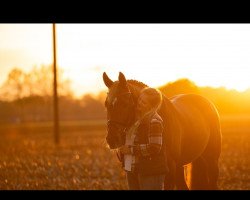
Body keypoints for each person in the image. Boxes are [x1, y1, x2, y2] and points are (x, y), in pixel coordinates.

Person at [118, 87, 168, 190]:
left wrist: (130, 150)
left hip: (150, 171)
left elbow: (154, 147)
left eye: (144, 102)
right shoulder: (136, 120)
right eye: (140, 99)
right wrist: (121, 150)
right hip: (132, 169)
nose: (139, 103)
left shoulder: (154, 121)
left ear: (151, 106)